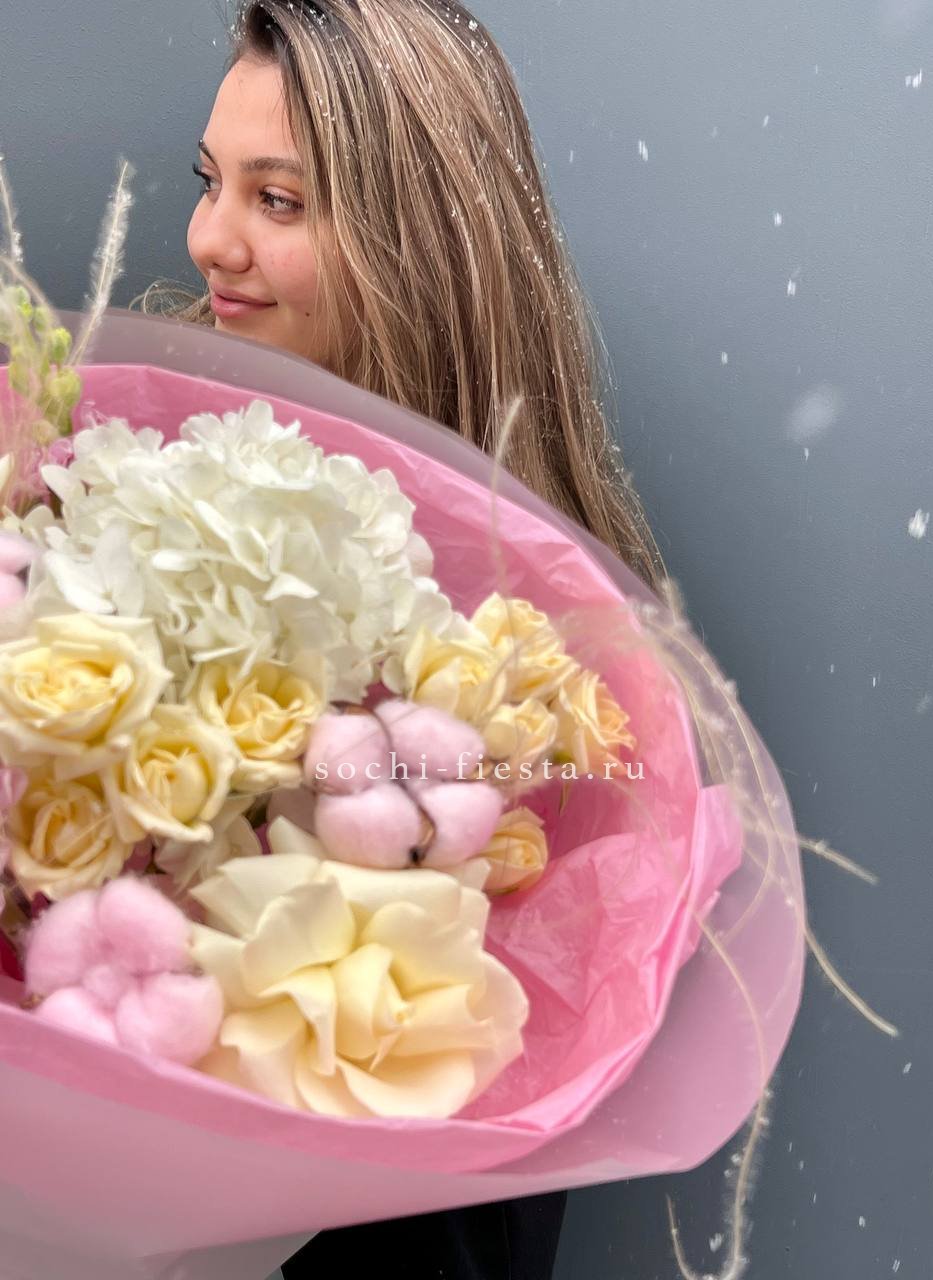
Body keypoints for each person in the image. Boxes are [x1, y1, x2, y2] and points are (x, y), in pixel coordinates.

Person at [134, 2, 667, 1275]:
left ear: (414, 243)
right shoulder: (139, 481)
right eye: (211, 182)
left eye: (278, 200)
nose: (211, 239)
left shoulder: (532, 656)